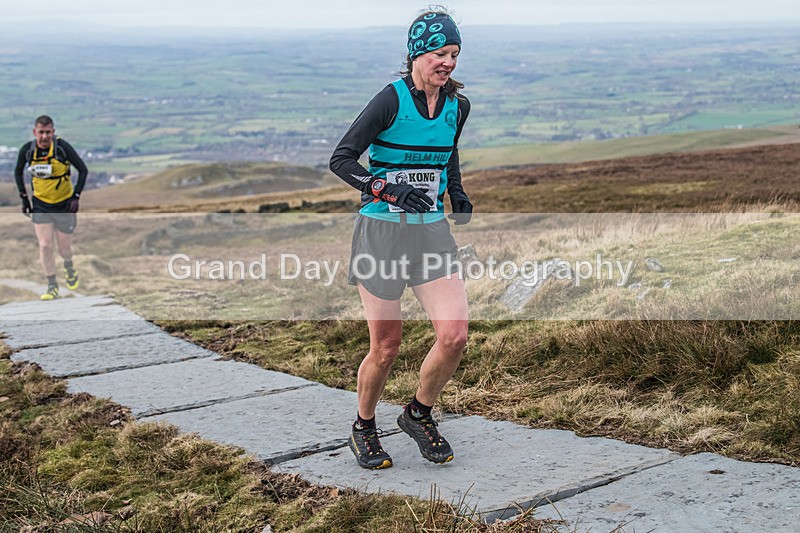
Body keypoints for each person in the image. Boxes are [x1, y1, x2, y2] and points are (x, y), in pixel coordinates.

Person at [329, 8, 472, 470]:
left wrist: (457, 191)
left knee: (454, 335)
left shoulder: (458, 105)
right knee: (386, 347)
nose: (447, 62)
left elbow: (447, 153)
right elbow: (342, 159)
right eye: (439, 53)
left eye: (454, 53)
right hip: (381, 235)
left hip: (430, 231)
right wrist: (387, 188)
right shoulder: (389, 101)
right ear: (416, 54)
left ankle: (418, 413)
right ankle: (364, 426)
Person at [15, 115, 88, 300]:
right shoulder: (28, 150)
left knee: (64, 250)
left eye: (48, 132)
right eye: (41, 132)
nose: (44, 136)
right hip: (41, 205)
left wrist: (76, 196)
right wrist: (25, 199)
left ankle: (69, 267)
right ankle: (52, 286)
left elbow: (83, 170)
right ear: (35, 132)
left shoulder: (62, 147)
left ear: (53, 132)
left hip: (64, 205)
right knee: (45, 245)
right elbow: (17, 172)